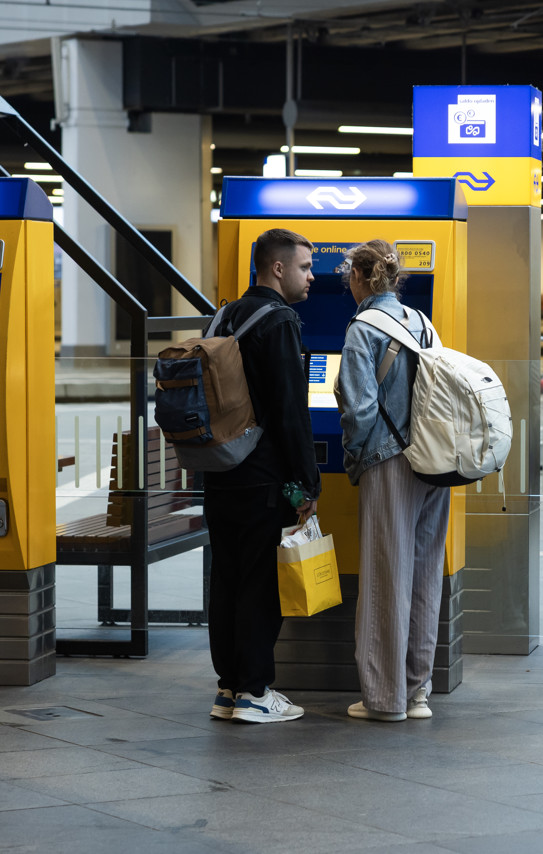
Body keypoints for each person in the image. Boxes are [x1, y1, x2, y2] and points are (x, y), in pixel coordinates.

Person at [204, 227, 320, 724]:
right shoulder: (280, 322)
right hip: (261, 476)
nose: (312, 277)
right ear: (278, 268)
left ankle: (229, 687)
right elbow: (290, 410)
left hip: (220, 468)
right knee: (258, 584)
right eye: (305, 267)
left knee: (227, 578)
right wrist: (308, 482)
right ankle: (255, 691)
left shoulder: (226, 314)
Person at [335, 239, 449, 722]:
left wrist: (353, 458)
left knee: (386, 578)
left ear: (358, 277)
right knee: (424, 574)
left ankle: (384, 700)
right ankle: (416, 692)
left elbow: (359, 412)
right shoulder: (423, 323)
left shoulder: (362, 329)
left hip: (389, 462)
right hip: (435, 462)